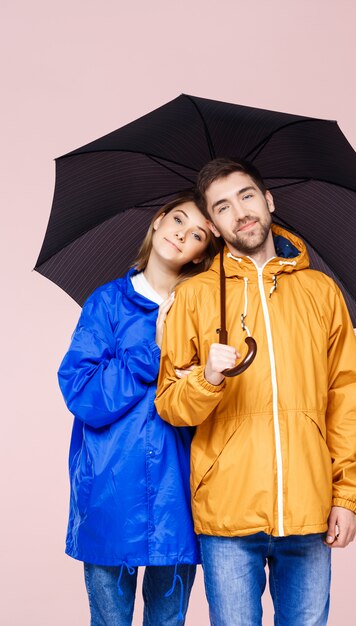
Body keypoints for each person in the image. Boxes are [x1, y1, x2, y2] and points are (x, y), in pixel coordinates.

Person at [155, 158, 356, 626]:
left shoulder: (320, 292)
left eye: (247, 196)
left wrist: (346, 495)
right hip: (227, 512)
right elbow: (171, 404)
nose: (240, 212)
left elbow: (348, 395)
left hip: (310, 509)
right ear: (213, 225)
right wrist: (206, 379)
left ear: (268, 200)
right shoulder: (193, 297)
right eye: (223, 207)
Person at [58, 190, 217, 626]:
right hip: (110, 492)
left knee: (168, 621)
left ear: (205, 251)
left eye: (198, 234)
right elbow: (82, 393)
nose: (182, 235)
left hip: (177, 498)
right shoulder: (107, 303)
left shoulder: (205, 312)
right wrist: (154, 348)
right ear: (158, 220)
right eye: (178, 220)